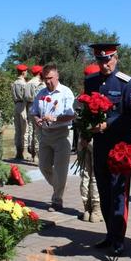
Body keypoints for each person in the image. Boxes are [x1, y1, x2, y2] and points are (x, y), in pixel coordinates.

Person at [84, 43, 131, 256]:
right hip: (100, 145)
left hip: (120, 148)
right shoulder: (91, 81)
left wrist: (108, 125)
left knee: (118, 192)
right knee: (103, 190)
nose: (105, 64)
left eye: (108, 59)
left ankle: (118, 239)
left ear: (116, 58)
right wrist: (86, 131)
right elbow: (87, 112)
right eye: (100, 60)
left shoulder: (128, 83)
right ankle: (110, 234)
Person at [30, 63, 75, 212]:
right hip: (45, 134)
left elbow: (71, 115)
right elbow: (34, 112)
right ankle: (60, 186)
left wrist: (54, 118)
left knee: (60, 169)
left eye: (50, 78)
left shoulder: (66, 92)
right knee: (43, 166)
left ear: (57, 76)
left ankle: (57, 200)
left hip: (62, 134)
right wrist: (37, 119)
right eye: (45, 78)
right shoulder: (41, 93)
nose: (48, 81)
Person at [78, 63, 103, 223]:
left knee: (85, 174)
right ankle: (96, 210)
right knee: (96, 175)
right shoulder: (100, 98)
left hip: (83, 138)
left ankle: (86, 209)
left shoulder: (81, 98)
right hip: (96, 138)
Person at [24, 65, 44, 162]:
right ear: (40, 73)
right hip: (37, 106)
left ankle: (31, 152)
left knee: (30, 130)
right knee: (37, 131)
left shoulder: (28, 83)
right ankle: (36, 154)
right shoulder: (39, 83)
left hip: (29, 106)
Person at [12, 64, 28, 160]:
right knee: (24, 130)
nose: (26, 73)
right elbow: (26, 96)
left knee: (17, 130)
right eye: (26, 71)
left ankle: (18, 152)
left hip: (16, 105)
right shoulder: (24, 84)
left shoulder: (14, 83)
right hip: (23, 106)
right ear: (23, 72)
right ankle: (24, 152)